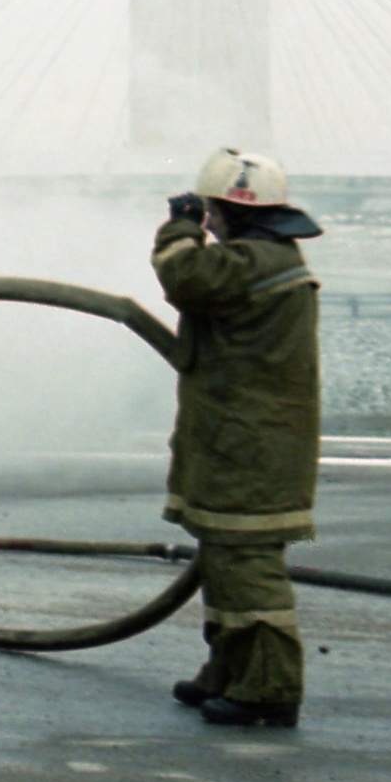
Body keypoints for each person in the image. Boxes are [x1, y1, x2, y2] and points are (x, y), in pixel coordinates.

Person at [154, 146, 324, 727]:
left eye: (211, 212)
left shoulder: (254, 261)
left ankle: (269, 689)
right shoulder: (266, 258)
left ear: (226, 211)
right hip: (241, 441)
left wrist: (179, 228)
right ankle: (231, 673)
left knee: (248, 568)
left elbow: (184, 277)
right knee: (227, 563)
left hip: (250, 447)